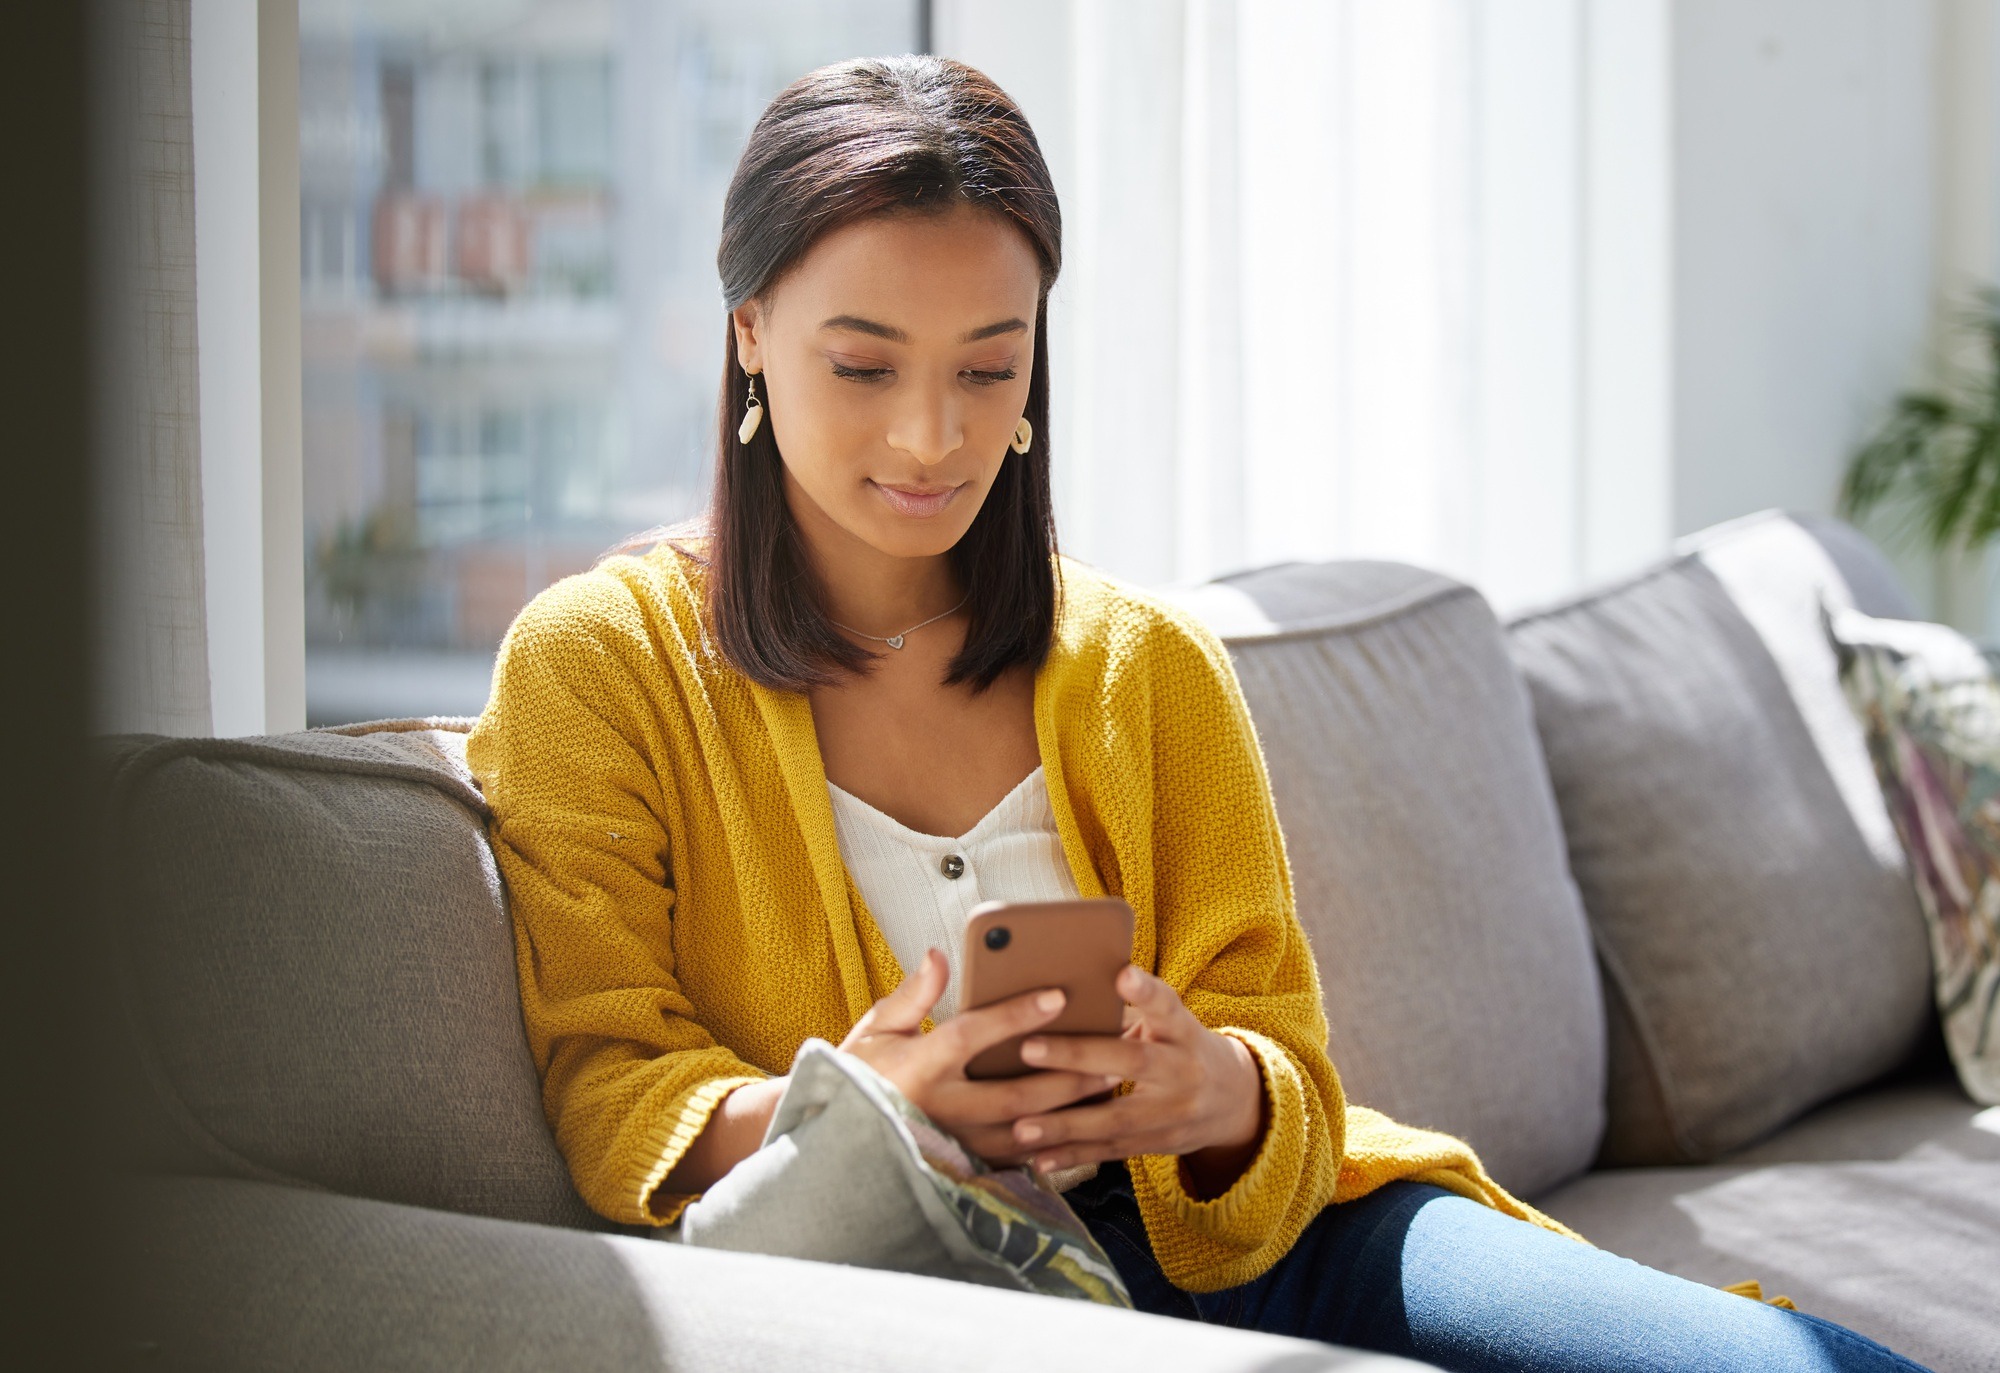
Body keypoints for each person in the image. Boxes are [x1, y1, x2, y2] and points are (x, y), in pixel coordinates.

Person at [465, 54, 1930, 1373]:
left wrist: (1209, 1086)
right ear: (749, 336)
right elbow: (612, 1085)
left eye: (991, 364)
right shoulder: (602, 662)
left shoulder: (1144, 661)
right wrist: (861, 1105)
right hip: (931, 1288)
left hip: (1272, 1242)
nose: (934, 435)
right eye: (863, 366)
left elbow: (1280, 1054)